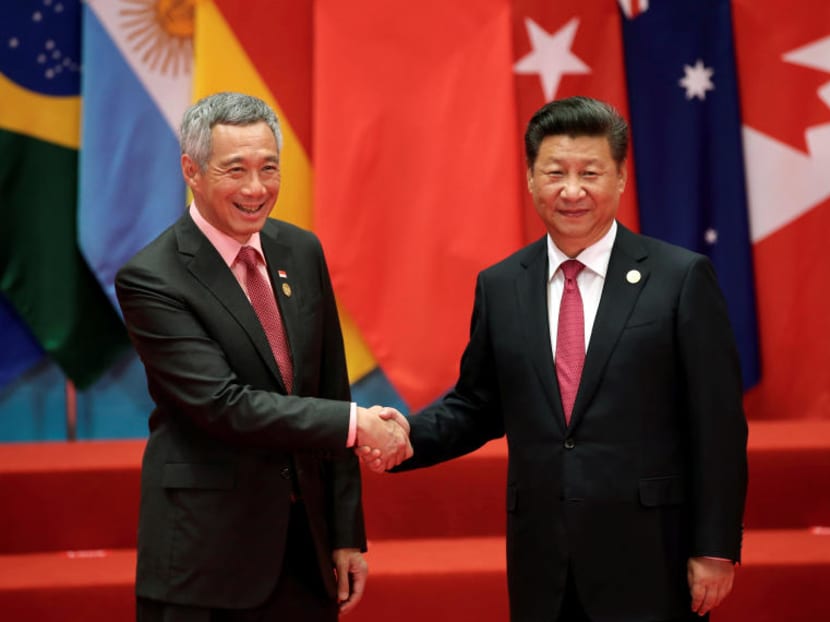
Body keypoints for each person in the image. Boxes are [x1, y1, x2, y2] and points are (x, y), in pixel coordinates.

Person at [361, 96, 748, 621]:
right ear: (530, 178)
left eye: (590, 173)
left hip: (651, 553)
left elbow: (717, 424)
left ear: (620, 178)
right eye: (555, 172)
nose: (571, 190)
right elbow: (477, 405)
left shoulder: (680, 279)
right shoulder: (501, 285)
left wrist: (715, 547)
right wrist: (404, 435)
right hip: (542, 560)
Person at [116, 91, 410, 622]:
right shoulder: (153, 278)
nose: (256, 188)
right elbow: (224, 405)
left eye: (269, 168)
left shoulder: (301, 250)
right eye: (236, 170)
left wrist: (345, 534)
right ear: (191, 171)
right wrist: (358, 424)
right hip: (206, 562)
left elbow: (330, 387)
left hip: (305, 554)